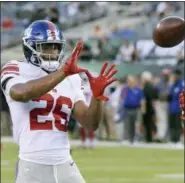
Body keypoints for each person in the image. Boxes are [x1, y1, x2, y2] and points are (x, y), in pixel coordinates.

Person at [0, 20, 117, 183]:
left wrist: (97, 98)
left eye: (56, 47)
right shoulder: (15, 68)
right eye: (46, 46)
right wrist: (63, 72)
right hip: (32, 164)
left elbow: (90, 124)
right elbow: (20, 93)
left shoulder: (71, 78)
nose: (52, 52)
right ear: (30, 47)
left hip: (65, 164)